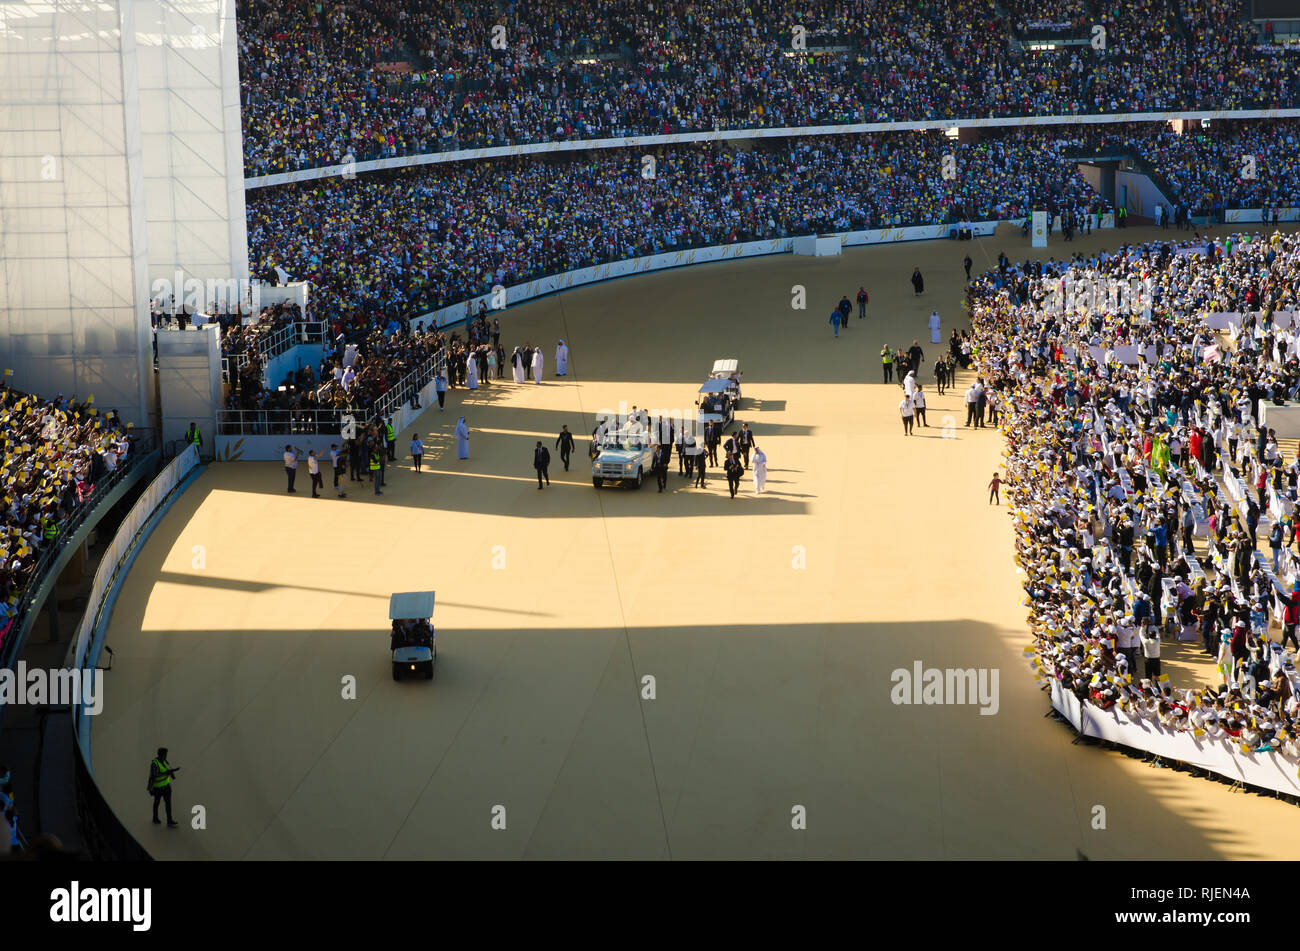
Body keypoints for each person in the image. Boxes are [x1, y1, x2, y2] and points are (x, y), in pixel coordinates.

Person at [147, 748, 179, 827]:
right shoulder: (154, 763)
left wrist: (172, 773)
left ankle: (169, 820)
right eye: (165, 754)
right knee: (156, 803)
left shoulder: (165, 761)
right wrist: (166, 773)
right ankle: (155, 818)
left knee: (168, 804)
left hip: (166, 787)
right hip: (158, 788)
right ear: (161, 754)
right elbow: (155, 774)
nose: (166, 756)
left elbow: (169, 769)